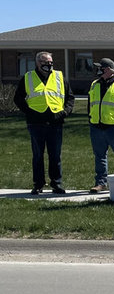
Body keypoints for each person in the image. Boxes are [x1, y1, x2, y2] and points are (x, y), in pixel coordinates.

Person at [13, 51, 75, 195]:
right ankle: (38, 184)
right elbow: (18, 98)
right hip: (36, 123)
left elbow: (70, 98)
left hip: (55, 122)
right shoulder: (28, 77)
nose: (48, 64)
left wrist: (65, 112)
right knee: (38, 155)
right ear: (37, 63)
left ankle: (56, 184)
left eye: (50, 61)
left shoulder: (60, 77)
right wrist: (29, 112)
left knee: (55, 155)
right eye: (45, 62)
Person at [87, 58, 114, 193]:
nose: (98, 70)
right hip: (96, 126)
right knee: (99, 156)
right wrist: (90, 119)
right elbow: (90, 104)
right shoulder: (95, 84)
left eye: (101, 68)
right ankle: (101, 183)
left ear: (109, 70)